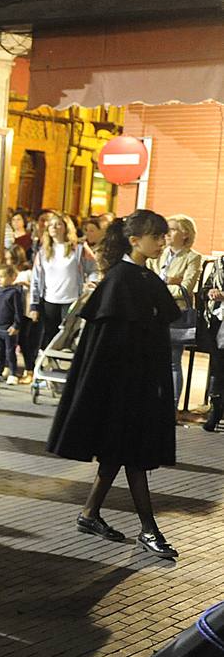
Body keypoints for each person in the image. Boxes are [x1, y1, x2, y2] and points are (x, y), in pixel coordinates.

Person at [47, 209, 179, 559]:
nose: (162, 242)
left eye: (164, 236)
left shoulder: (140, 277)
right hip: (123, 390)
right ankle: (149, 530)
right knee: (133, 457)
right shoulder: (121, 280)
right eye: (157, 236)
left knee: (118, 457)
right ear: (135, 240)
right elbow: (108, 347)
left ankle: (89, 514)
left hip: (137, 387)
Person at [146, 213, 202, 407]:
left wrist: (163, 284)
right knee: (150, 359)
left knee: (173, 361)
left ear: (185, 234)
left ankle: (172, 405)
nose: (167, 234)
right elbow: (147, 278)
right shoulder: (157, 253)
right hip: (152, 311)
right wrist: (168, 282)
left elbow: (184, 288)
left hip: (175, 313)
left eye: (172, 229)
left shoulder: (192, 258)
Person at [28, 214, 96, 354]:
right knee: (49, 336)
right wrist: (33, 304)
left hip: (71, 299)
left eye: (58, 224)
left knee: (67, 336)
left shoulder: (79, 249)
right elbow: (36, 279)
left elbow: (93, 268)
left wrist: (91, 282)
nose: (54, 227)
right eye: (51, 224)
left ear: (66, 228)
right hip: (49, 299)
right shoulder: (43, 252)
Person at [0, 265, 26, 384]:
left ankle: (13, 373)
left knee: (10, 352)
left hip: (9, 328)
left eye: (2, 277)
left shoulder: (15, 292)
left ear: (12, 277)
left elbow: (18, 311)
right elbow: (0, 306)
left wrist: (16, 325)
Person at [200, 259, 224, 432]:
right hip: (217, 322)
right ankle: (215, 410)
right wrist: (210, 292)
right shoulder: (217, 264)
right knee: (217, 367)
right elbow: (203, 290)